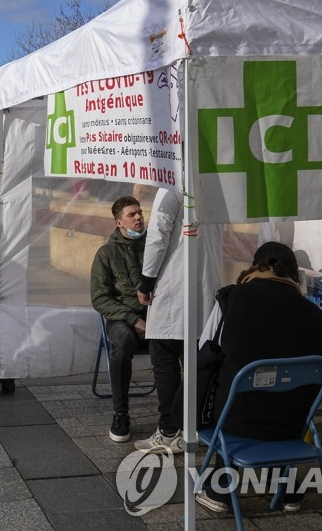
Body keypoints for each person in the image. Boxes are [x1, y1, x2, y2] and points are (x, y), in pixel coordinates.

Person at [194, 241, 322, 514]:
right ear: (294, 274)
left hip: (236, 419)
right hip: (291, 424)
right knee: (275, 391)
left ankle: (219, 490)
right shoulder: (314, 313)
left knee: (229, 383)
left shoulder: (231, 298)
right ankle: (288, 488)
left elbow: (205, 351)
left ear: (255, 266)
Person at [133, 187, 223, 454]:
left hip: (174, 290)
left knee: (165, 364)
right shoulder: (213, 182)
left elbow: (158, 235)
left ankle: (169, 430)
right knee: (196, 367)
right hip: (205, 287)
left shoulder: (171, 185)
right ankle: (193, 426)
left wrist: (146, 281)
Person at [90, 195, 148, 442]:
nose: (138, 218)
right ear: (118, 223)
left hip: (158, 314)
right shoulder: (106, 253)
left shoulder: (156, 245)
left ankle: (177, 414)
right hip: (123, 318)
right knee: (121, 343)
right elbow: (100, 298)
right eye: (131, 215)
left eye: (140, 213)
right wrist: (134, 319)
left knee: (187, 341)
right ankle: (121, 413)